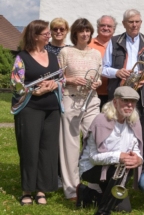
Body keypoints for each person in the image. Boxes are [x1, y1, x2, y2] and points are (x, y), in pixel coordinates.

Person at [10, 20, 64, 205]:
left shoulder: (52, 56)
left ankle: (41, 190)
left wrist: (54, 84)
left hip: (52, 110)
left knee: (47, 151)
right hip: (29, 109)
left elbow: (61, 79)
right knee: (29, 149)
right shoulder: (22, 57)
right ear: (34, 36)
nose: (49, 36)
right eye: (46, 33)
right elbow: (16, 84)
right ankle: (27, 190)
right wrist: (34, 91)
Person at [77, 86, 143, 215]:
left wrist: (138, 159)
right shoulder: (100, 120)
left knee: (124, 209)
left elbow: (136, 149)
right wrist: (119, 156)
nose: (130, 105)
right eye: (125, 100)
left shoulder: (134, 121)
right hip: (91, 168)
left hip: (116, 168)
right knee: (121, 167)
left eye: (133, 102)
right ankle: (103, 211)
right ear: (115, 102)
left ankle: (88, 193)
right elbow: (93, 158)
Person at [58, 18, 102, 201]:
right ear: (75, 33)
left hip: (92, 101)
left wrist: (97, 82)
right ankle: (72, 189)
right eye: (81, 31)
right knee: (71, 146)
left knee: (97, 140)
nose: (85, 34)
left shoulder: (96, 54)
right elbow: (58, 78)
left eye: (88, 31)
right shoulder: (65, 52)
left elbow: (98, 77)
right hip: (71, 99)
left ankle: (94, 184)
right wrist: (71, 80)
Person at [102, 9, 144, 143]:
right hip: (121, 90)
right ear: (124, 23)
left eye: (137, 22)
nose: (134, 25)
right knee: (118, 127)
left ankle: (142, 161)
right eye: (131, 22)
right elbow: (103, 68)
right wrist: (116, 72)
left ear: (141, 23)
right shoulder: (114, 41)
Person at [44, 17, 70, 189]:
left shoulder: (71, 50)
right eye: (55, 29)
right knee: (50, 139)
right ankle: (50, 175)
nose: (58, 32)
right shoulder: (44, 49)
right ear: (51, 31)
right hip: (47, 96)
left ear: (66, 31)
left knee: (64, 139)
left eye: (62, 29)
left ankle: (62, 175)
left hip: (66, 96)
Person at [89, 15, 117, 109]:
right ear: (97, 28)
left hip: (114, 93)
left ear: (114, 29)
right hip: (92, 93)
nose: (105, 28)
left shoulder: (119, 45)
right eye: (102, 25)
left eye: (109, 26)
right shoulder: (88, 44)